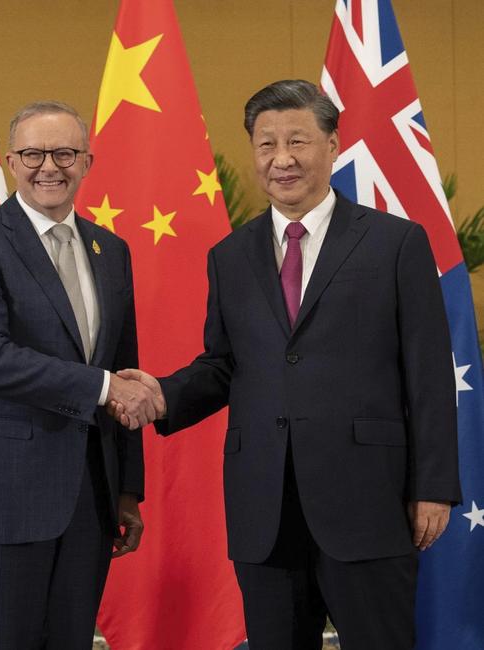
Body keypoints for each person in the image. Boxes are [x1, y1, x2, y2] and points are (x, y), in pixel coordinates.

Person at [112, 80, 461, 650]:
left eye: (298, 140)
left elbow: (427, 372)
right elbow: (226, 365)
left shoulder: (395, 243)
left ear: (332, 144)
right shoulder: (230, 256)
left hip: (369, 501)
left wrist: (435, 486)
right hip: (265, 508)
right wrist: (162, 394)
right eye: (266, 144)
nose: (283, 159)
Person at [0, 101, 161, 650]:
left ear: (87, 161)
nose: (49, 167)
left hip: (89, 498)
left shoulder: (112, 250)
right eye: (34, 153)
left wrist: (126, 489)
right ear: (10, 160)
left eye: (64, 153)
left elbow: (123, 364)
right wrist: (104, 388)